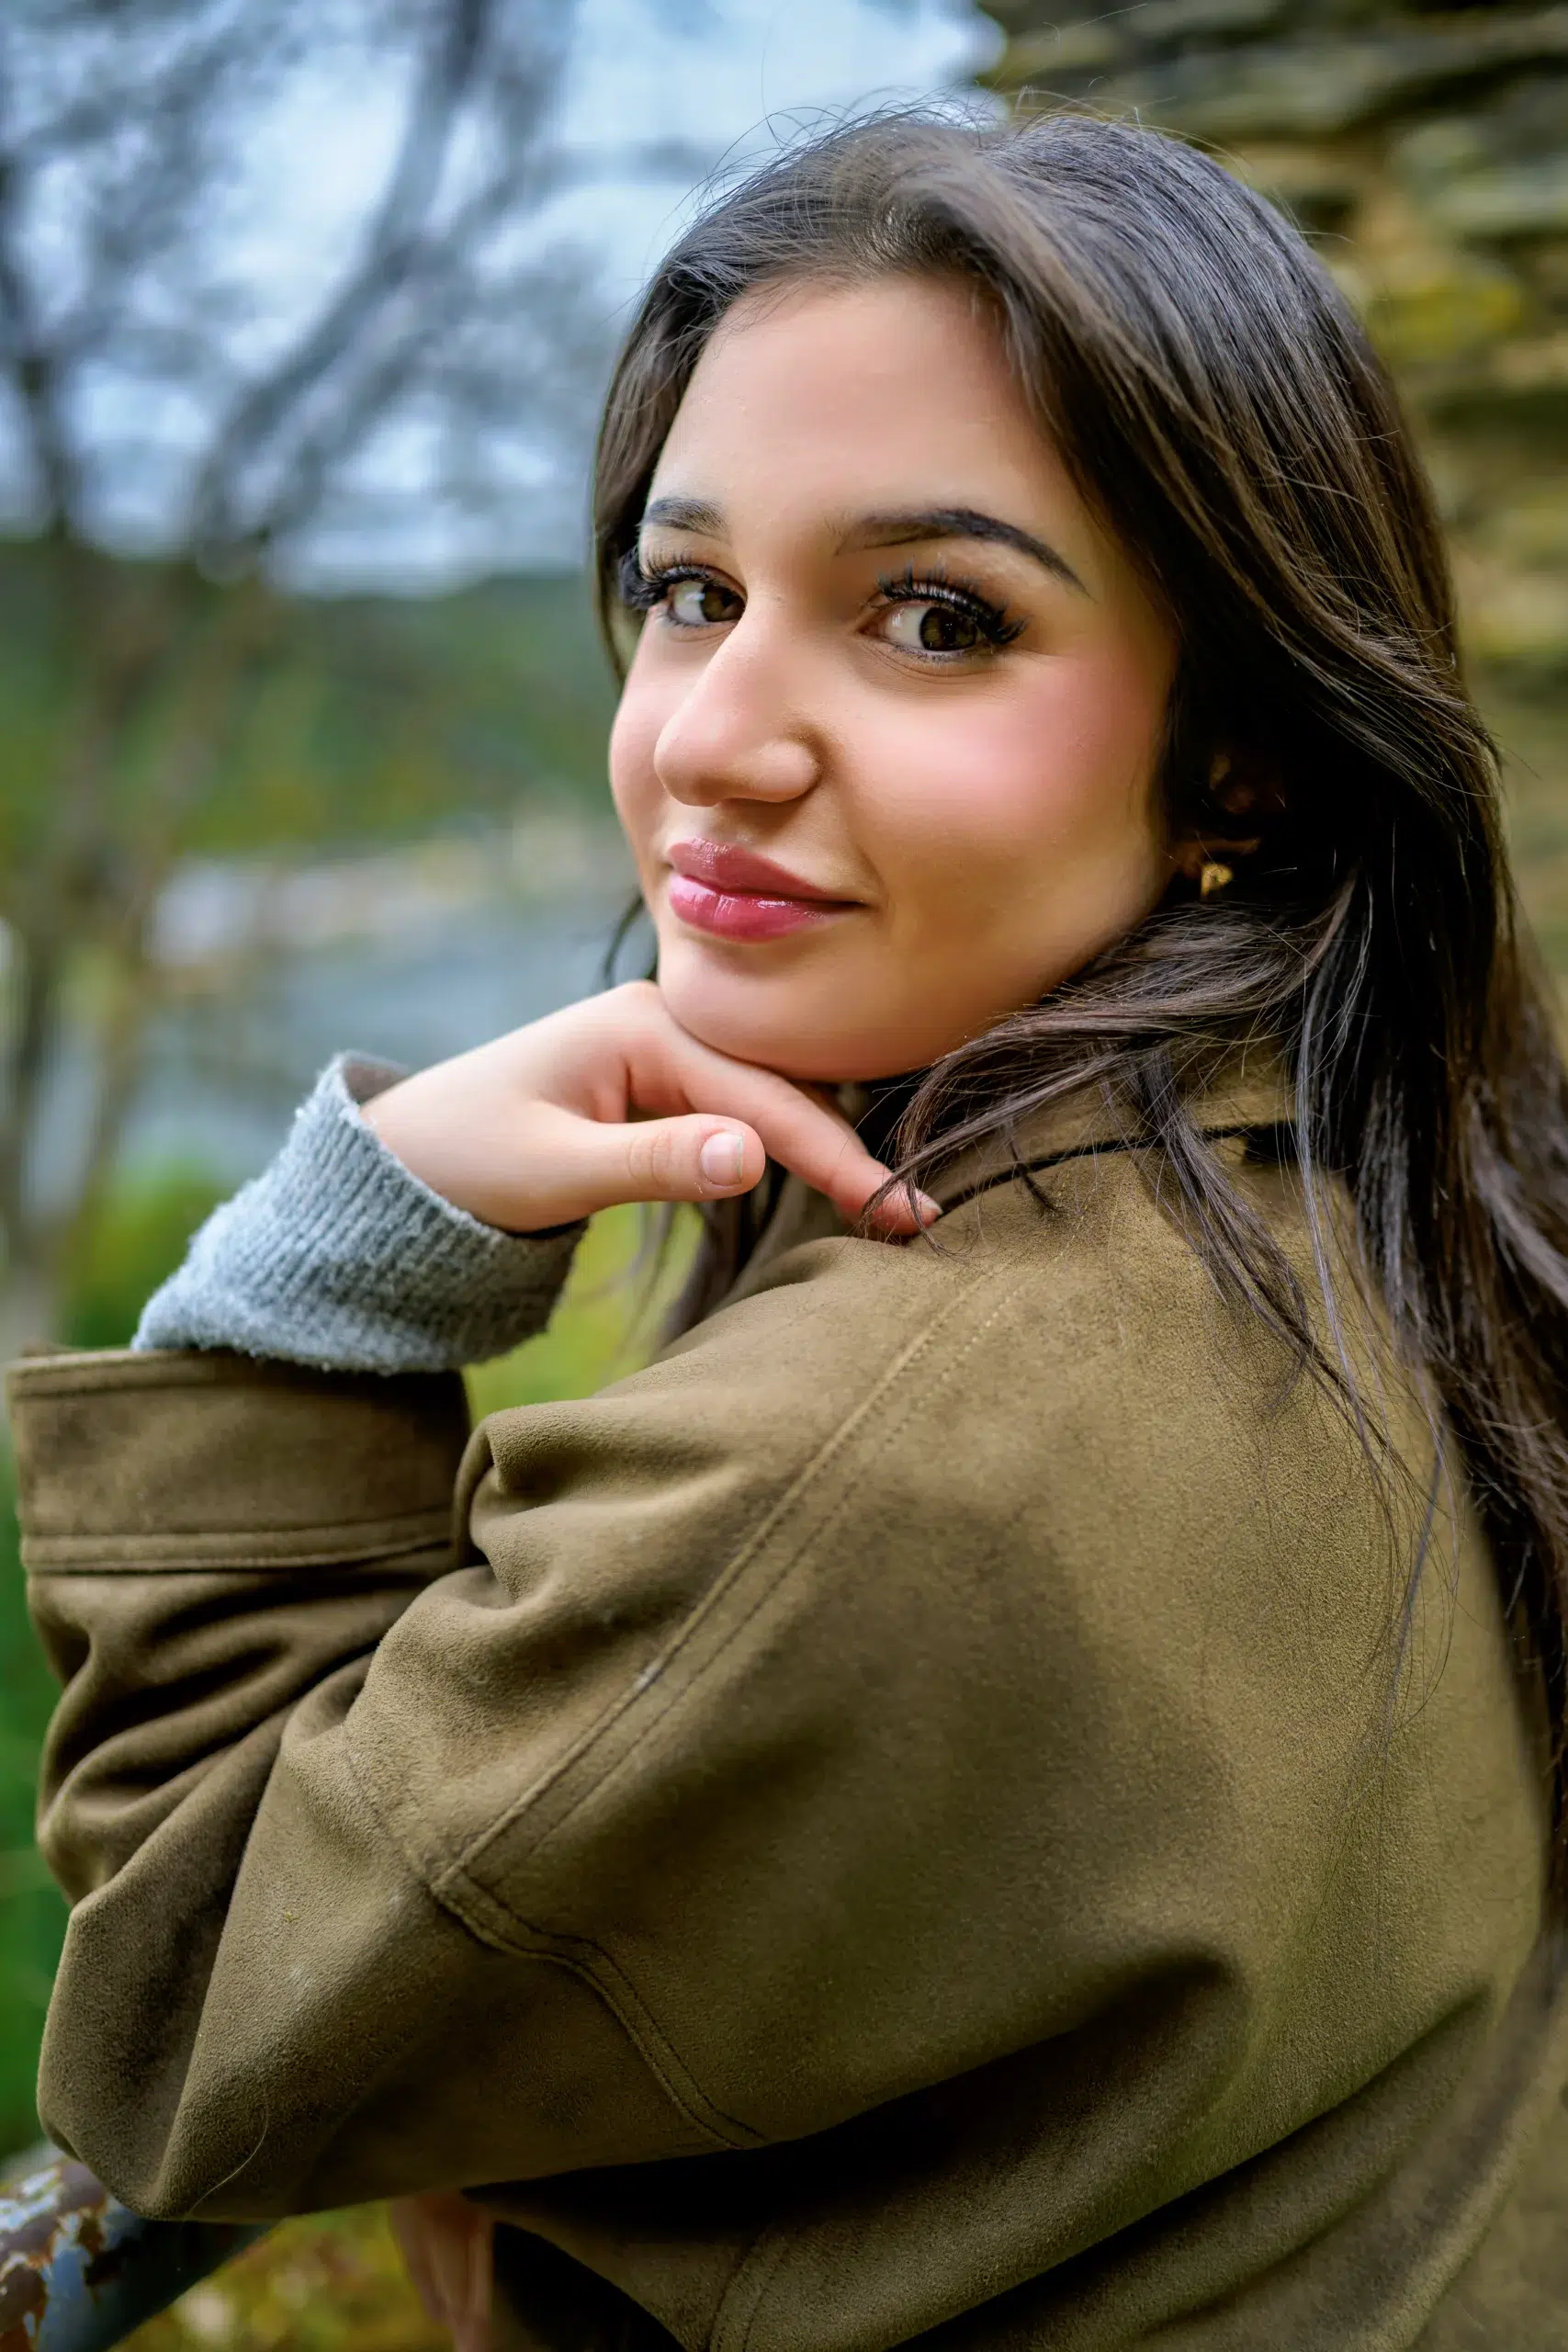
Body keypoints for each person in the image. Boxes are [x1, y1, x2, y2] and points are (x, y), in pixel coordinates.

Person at [9, 107, 1568, 2351]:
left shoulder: (872, 1464)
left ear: (1247, 760)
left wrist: (326, 1283)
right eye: (688, 589)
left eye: (935, 618)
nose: (713, 739)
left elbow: (180, 2039)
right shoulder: (1378, 1175)